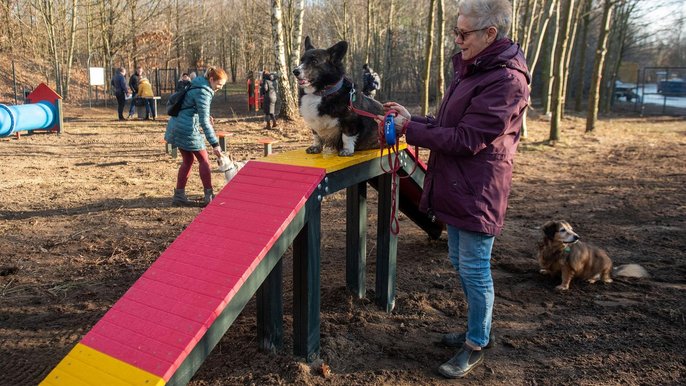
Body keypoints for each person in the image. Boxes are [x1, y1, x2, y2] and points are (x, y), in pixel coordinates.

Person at [383, 0, 530, 379]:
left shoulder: (506, 80)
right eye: (456, 31)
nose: (457, 39)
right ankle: (476, 328)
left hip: (478, 189)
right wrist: (412, 119)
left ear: (490, 34)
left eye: (463, 33)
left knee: (476, 270)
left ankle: (477, 342)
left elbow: (467, 138)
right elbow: (450, 122)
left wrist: (409, 131)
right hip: (456, 183)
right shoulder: (474, 69)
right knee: (458, 262)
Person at [164, 67, 228, 207]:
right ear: (211, 79)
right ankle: (209, 197)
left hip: (175, 126)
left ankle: (179, 196)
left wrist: (201, 116)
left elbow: (190, 106)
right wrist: (215, 144)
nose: (220, 88)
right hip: (186, 129)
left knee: (188, 160)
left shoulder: (198, 83)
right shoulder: (204, 92)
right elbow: (205, 122)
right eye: (219, 84)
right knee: (204, 160)